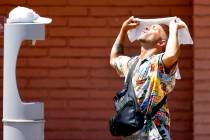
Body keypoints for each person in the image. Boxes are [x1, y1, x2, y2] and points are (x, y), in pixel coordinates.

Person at [110, 16, 185, 140]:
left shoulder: (159, 62)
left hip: (154, 135)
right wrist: (123, 30)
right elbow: (114, 59)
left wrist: (173, 30)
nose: (147, 28)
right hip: (133, 134)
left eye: (154, 28)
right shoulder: (132, 63)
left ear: (161, 43)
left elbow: (171, 55)